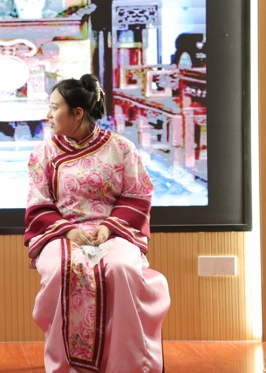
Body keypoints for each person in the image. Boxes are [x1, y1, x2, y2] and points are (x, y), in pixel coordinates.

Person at [24, 74, 170, 372]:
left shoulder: (122, 148)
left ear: (77, 112)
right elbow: (39, 203)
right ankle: (67, 366)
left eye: (54, 108)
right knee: (63, 271)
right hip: (62, 233)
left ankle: (125, 364)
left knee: (121, 269)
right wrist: (69, 231)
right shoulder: (43, 154)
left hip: (113, 232)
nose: (48, 114)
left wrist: (109, 227)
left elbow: (138, 195)